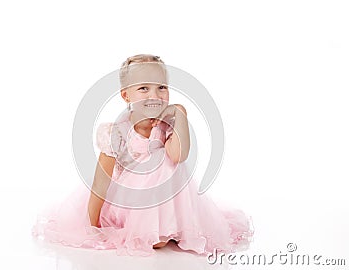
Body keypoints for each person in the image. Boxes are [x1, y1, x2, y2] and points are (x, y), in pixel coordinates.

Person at [31, 54, 254, 257]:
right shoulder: (117, 131)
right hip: (129, 201)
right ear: (126, 95)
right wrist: (93, 223)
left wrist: (180, 114)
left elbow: (179, 155)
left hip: (169, 198)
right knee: (157, 172)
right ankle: (150, 230)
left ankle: (173, 226)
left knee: (167, 164)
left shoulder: (168, 125)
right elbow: (101, 180)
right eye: (144, 88)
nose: (155, 95)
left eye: (161, 87)